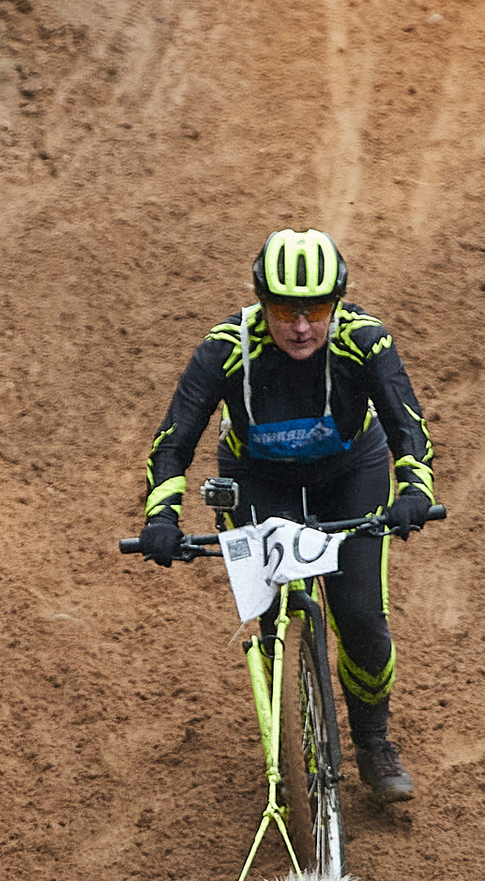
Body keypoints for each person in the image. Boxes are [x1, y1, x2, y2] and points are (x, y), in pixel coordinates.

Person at [136, 227, 438, 803]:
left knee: (361, 619)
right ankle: (299, 739)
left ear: (338, 302)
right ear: (260, 302)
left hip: (352, 475)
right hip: (258, 480)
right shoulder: (224, 348)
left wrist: (415, 490)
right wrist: (162, 518)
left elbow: (408, 426)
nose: (301, 327)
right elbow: (173, 441)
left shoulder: (365, 341)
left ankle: (373, 742)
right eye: (284, 310)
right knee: (273, 620)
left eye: (317, 309)